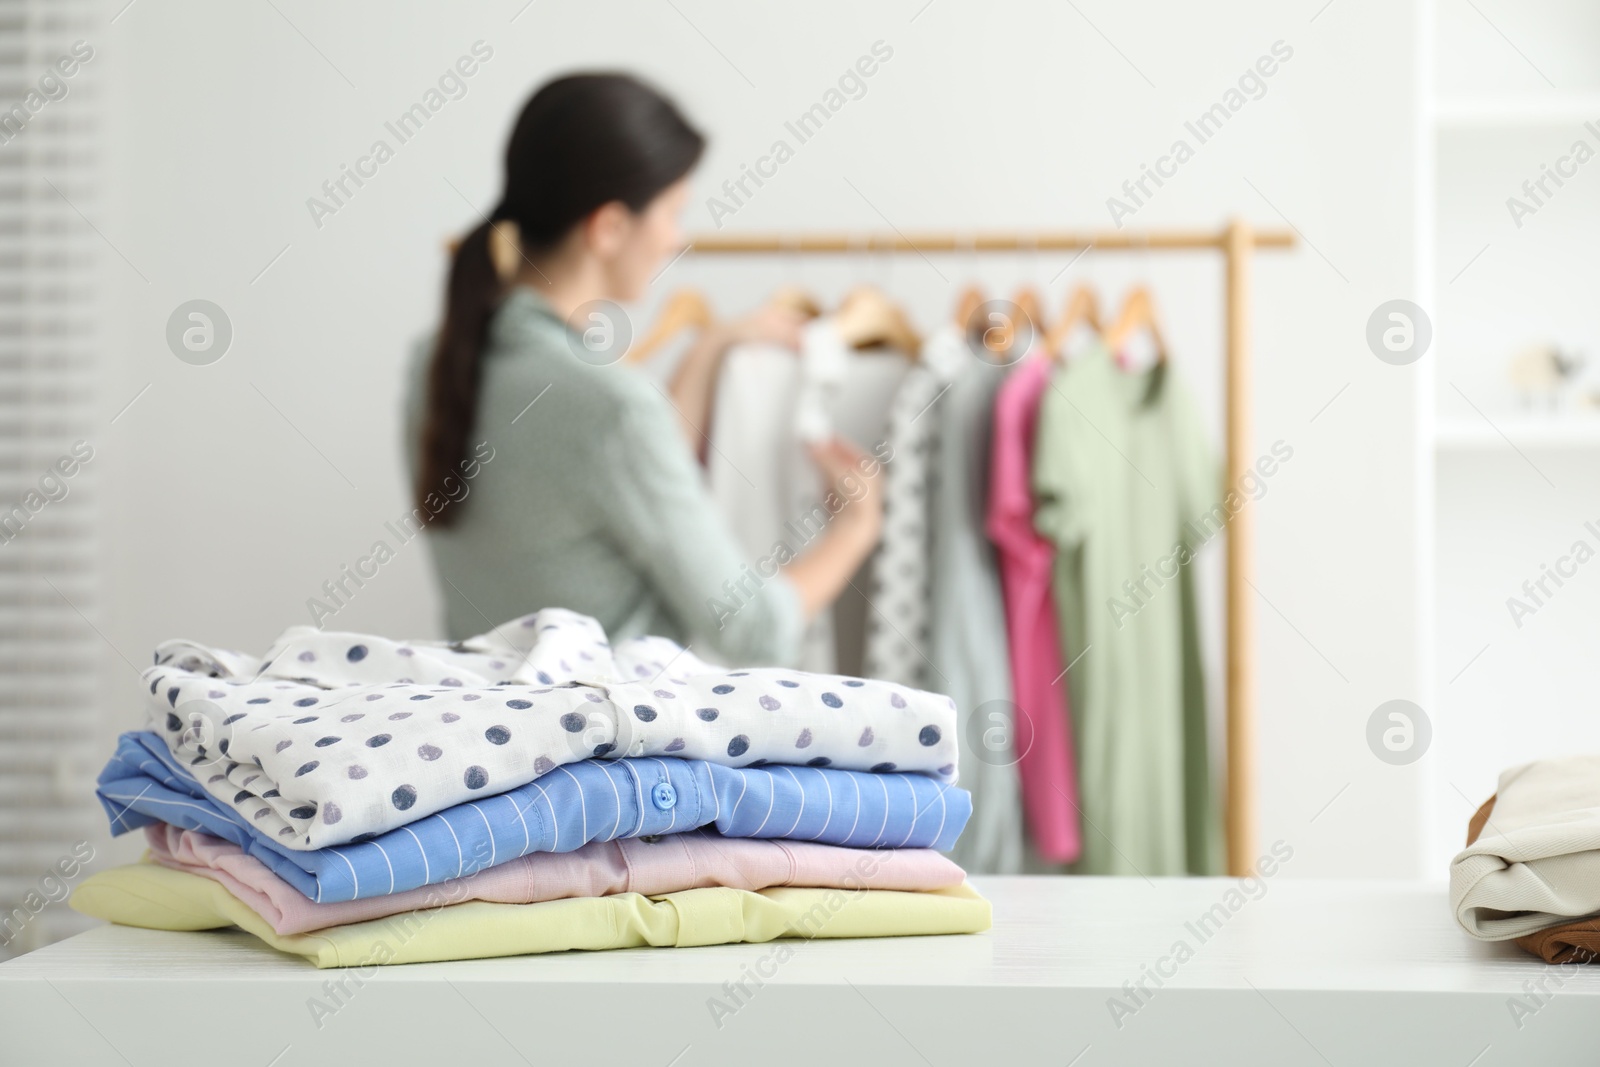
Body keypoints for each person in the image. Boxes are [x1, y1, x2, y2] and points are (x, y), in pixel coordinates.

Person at [405, 72, 882, 666]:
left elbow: (606, 487)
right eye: (673, 213)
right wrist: (856, 528)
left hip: (484, 732)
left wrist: (706, 352)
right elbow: (753, 630)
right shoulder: (612, 407)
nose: (675, 239)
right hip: (599, 747)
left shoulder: (438, 361)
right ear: (608, 227)